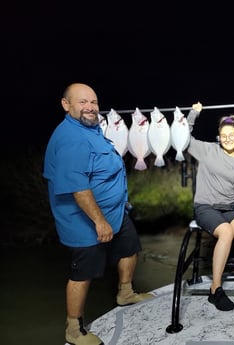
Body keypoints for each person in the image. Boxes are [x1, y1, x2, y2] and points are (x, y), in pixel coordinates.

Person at [43, 83, 153, 345]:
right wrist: (99, 221)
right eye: (82, 102)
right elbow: (78, 188)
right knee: (84, 271)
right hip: (85, 219)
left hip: (113, 211)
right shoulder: (71, 138)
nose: (90, 107)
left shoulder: (90, 128)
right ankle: (73, 328)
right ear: (65, 104)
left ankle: (125, 293)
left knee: (129, 248)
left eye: (93, 102)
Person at [186, 104, 234, 313]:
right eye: (224, 135)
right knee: (226, 233)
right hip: (206, 206)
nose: (228, 138)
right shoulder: (207, 150)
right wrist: (194, 114)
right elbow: (183, 138)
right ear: (219, 136)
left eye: (232, 135)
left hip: (230, 206)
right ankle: (215, 289)